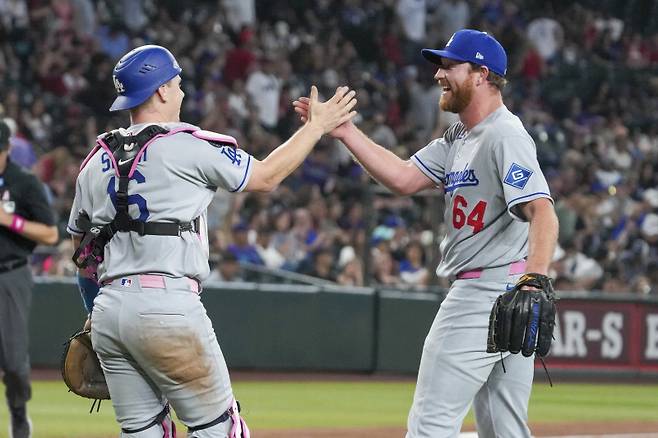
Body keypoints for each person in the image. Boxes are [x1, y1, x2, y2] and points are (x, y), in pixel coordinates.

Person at [67, 44, 355, 438]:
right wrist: (316, 128)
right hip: (166, 307)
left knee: (143, 432)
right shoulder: (188, 146)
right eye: (178, 83)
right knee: (219, 429)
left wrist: (93, 312)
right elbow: (266, 176)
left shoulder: (93, 160)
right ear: (162, 90)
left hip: (108, 314)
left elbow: (83, 257)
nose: (182, 92)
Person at [294, 29, 559, 438]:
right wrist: (345, 131)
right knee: (504, 428)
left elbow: (542, 211)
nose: (438, 74)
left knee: (430, 425)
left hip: (485, 291)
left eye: (450, 65)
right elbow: (403, 177)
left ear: (480, 74)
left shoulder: (504, 134)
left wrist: (535, 278)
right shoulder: (459, 136)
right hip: (501, 291)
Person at [0, 119, 59, 438]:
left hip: (10, 274)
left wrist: (12, 221)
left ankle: (19, 414)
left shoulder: (23, 183)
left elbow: (50, 233)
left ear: (7, 149)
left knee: (13, 362)